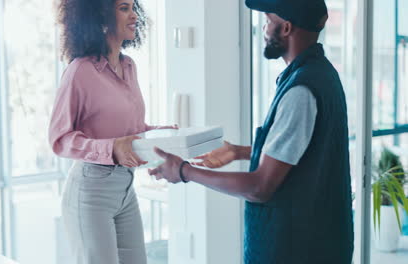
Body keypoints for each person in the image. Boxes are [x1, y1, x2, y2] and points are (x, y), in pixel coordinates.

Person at [148, 0, 354, 263]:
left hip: (294, 250)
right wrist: (239, 152)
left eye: (268, 21)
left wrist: (183, 171)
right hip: (318, 245)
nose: (265, 29)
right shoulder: (321, 75)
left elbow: (260, 187)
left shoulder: (301, 91)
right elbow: (302, 152)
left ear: (287, 28)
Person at [49, 0, 176, 263]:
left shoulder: (129, 66)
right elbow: (59, 138)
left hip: (125, 190)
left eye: (133, 7)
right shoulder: (80, 71)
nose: (134, 16)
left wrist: (159, 134)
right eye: (123, 8)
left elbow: (130, 131)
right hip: (91, 192)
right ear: (101, 17)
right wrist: (111, 148)